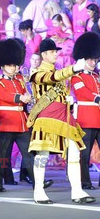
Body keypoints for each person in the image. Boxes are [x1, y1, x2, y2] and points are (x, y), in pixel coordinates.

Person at [29, 38, 95, 204]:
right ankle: (38, 191)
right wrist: (74, 68)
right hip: (46, 117)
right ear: (44, 54)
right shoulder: (37, 73)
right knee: (42, 154)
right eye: (52, 52)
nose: (55, 54)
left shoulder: (58, 73)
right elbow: (53, 77)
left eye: (56, 51)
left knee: (74, 151)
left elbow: (58, 78)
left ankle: (77, 191)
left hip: (64, 116)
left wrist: (68, 101)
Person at [0, 39, 36, 192]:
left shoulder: (20, 80)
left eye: (15, 64)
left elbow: (24, 94)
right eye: (10, 64)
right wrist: (20, 98)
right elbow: (3, 96)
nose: (14, 67)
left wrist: (28, 98)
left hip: (22, 123)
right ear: (2, 65)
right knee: (2, 156)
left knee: (29, 154)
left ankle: (37, 181)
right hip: (6, 123)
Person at [71, 32, 100, 190]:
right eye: (90, 59)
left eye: (95, 59)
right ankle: (85, 181)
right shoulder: (78, 77)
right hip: (86, 119)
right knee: (85, 153)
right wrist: (97, 99)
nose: (93, 62)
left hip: (98, 118)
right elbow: (83, 93)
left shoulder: (96, 77)